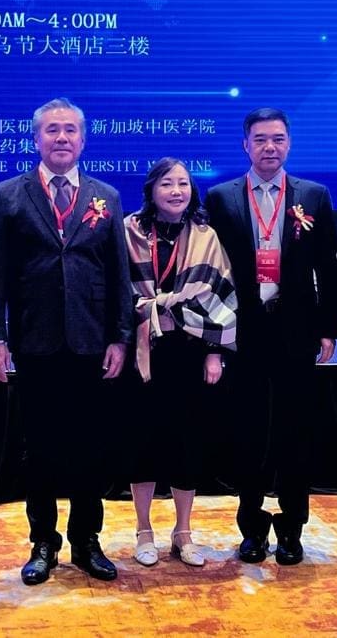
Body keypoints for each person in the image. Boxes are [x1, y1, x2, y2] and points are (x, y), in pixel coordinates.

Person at [0, 97, 134, 585]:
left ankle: (87, 540)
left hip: (92, 342)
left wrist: (120, 338)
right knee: (41, 447)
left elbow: (119, 274)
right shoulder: (9, 195)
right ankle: (43, 543)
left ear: (83, 140)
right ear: (37, 139)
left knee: (90, 445)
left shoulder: (106, 196)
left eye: (70, 130)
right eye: (52, 130)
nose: (62, 137)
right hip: (35, 340)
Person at [202, 107, 337, 566]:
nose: (269, 147)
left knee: (296, 431)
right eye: (260, 139)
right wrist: (214, 338)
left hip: (295, 328)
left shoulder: (313, 196)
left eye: (278, 139)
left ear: (289, 143)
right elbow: (211, 272)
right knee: (248, 432)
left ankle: (292, 529)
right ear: (245, 144)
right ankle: (252, 527)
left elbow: (328, 268)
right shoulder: (221, 197)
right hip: (243, 331)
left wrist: (328, 328)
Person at [122, 158, 237, 567]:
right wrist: (147, 311)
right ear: (151, 190)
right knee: (142, 439)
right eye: (167, 184)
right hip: (142, 349)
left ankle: (183, 532)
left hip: (190, 350)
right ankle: (143, 530)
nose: (176, 191)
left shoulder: (205, 235)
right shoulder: (129, 231)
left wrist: (214, 352)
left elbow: (222, 294)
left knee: (188, 440)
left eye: (183, 184)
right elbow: (115, 289)